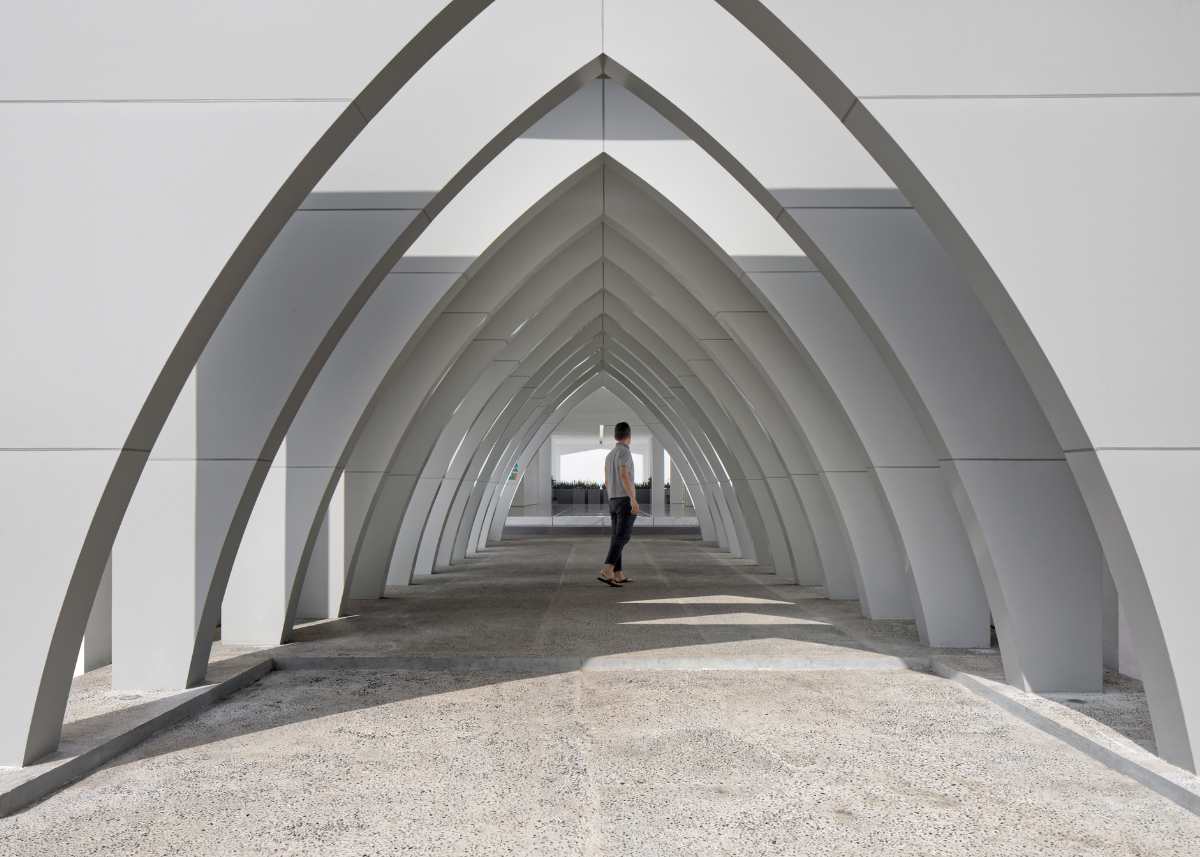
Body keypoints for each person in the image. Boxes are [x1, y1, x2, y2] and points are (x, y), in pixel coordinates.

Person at [599, 422, 638, 586]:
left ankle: (618, 572)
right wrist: (633, 498)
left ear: (615, 437)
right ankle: (608, 568)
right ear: (629, 436)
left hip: (613, 500)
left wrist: (612, 496)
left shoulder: (609, 455)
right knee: (623, 536)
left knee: (616, 536)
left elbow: (607, 480)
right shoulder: (625, 453)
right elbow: (624, 475)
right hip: (623, 500)